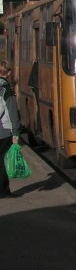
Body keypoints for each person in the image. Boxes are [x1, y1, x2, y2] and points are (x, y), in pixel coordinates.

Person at [0, 60, 23, 198]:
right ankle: (3, 191)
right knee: (2, 162)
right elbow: (13, 113)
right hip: (4, 131)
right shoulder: (7, 90)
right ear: (8, 74)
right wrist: (16, 133)